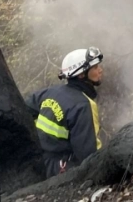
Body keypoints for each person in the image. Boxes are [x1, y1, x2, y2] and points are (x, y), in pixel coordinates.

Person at [27, 47, 105, 177]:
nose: (100, 70)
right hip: (56, 167)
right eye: (95, 67)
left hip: (35, 156)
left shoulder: (50, 92)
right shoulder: (83, 106)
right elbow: (88, 155)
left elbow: (24, 109)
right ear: (81, 74)